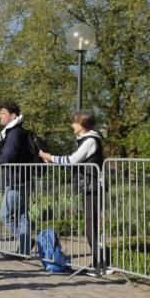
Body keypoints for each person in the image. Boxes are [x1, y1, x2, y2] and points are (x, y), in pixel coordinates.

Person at [39, 110, 105, 273]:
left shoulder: (90, 140)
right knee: (90, 226)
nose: (72, 125)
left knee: (91, 226)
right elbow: (73, 161)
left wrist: (51, 157)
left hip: (93, 187)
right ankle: (98, 263)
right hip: (88, 187)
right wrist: (52, 161)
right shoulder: (85, 139)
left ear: (82, 124)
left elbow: (73, 160)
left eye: (74, 122)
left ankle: (100, 264)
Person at [0, 101, 35, 255]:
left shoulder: (14, 133)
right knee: (22, 215)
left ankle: (26, 243)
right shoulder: (15, 132)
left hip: (17, 181)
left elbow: (8, 157)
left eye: (2, 113)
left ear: (13, 116)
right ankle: (24, 250)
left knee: (5, 215)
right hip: (23, 179)